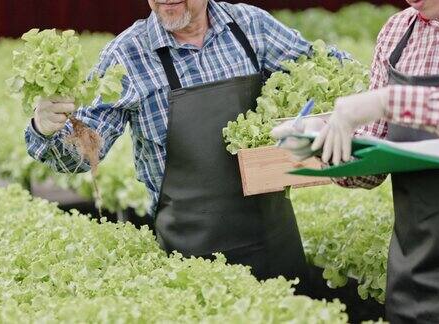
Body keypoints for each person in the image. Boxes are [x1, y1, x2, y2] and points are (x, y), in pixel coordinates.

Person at [25, 0, 347, 293]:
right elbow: (83, 155)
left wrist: (360, 100)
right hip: (192, 267)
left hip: (276, 249)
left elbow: (328, 68)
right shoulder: (127, 56)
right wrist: (47, 128)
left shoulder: (250, 27)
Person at [274, 0, 439, 322]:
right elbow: (370, 170)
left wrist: (389, 101)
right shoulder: (397, 32)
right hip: (416, 280)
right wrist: (326, 146)